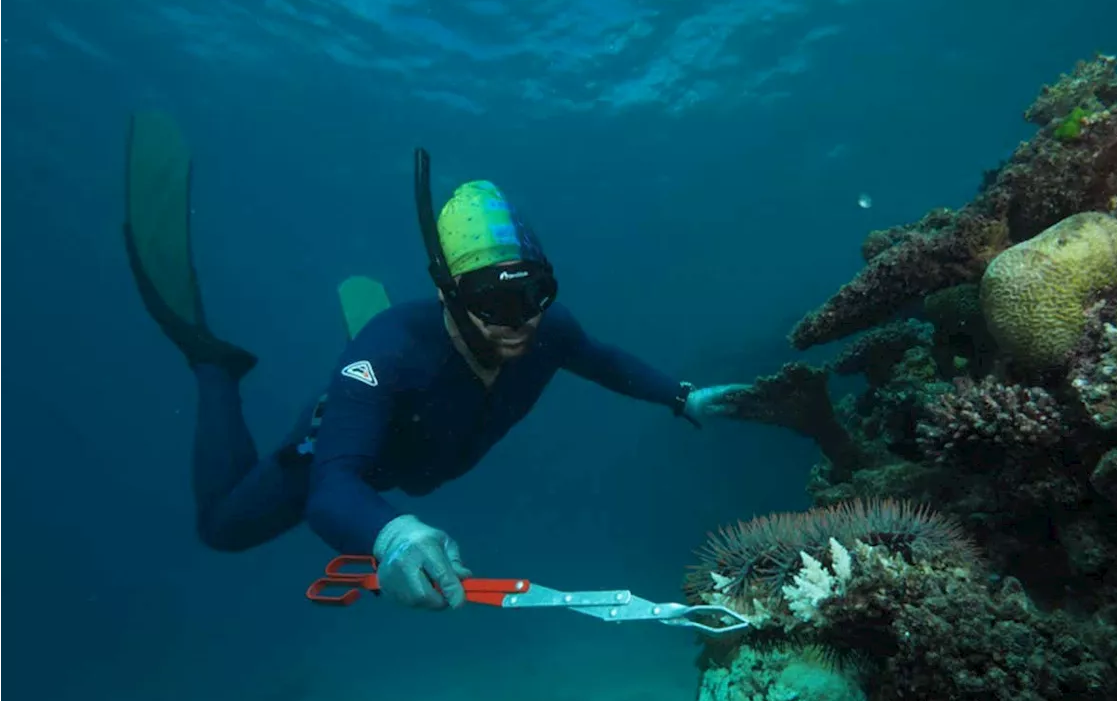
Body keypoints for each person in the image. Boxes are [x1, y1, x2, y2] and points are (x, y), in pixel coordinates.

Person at [121, 111, 749, 611]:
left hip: (420, 446)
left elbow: (601, 360)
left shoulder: (549, 332)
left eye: (534, 293)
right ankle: (212, 367)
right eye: (492, 301)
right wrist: (389, 536)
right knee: (223, 529)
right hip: (347, 447)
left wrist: (681, 396)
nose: (519, 320)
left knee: (447, 402)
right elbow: (333, 486)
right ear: (450, 293)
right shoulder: (386, 354)